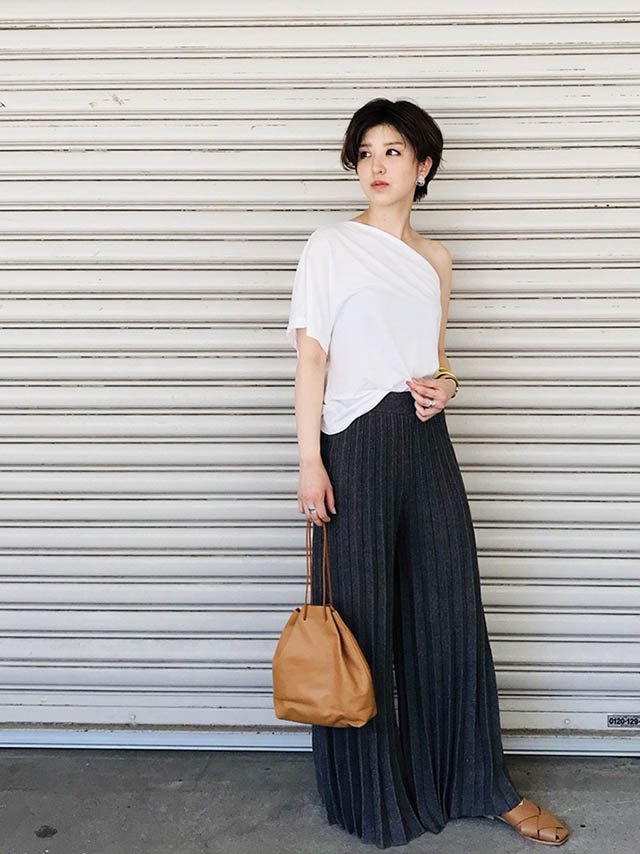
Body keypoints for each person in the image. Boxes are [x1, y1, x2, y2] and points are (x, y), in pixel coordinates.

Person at [285, 97, 570, 849]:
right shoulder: (330, 246)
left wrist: (448, 384)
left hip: (425, 440)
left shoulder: (436, 259)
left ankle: (481, 784)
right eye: (365, 153)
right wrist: (311, 462)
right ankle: (372, 795)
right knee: (362, 618)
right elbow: (312, 358)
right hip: (355, 444)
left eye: (393, 152)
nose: (376, 166)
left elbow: (435, 357)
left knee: (450, 611)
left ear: (424, 165)